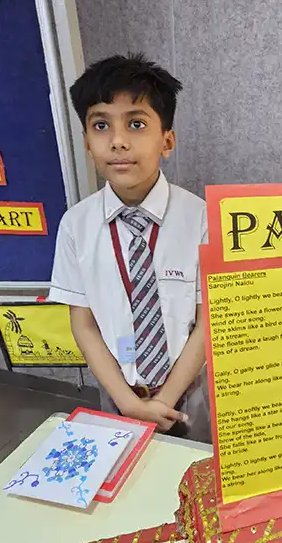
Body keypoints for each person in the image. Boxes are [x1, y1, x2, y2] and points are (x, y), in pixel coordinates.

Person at [48, 53, 208, 435]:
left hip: (191, 392)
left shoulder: (202, 219)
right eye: (101, 125)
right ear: (87, 144)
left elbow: (209, 321)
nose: (118, 141)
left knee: (193, 464)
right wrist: (130, 403)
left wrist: (164, 401)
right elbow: (84, 324)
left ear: (167, 140)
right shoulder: (75, 226)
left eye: (136, 124)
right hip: (118, 391)